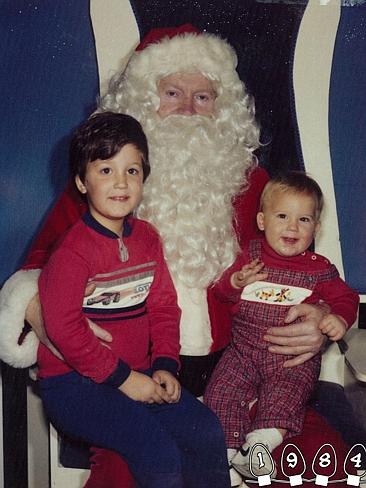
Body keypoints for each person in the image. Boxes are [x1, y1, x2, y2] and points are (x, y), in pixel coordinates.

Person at [0, 25, 353, 487]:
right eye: (172, 92)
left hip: (244, 368)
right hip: (121, 374)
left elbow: (305, 269)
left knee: (328, 471)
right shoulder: (101, 189)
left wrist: (321, 318)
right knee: (138, 470)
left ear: (222, 110)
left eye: (203, 98)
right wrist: (47, 314)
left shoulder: (256, 188)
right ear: (144, 100)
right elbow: (36, 270)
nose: (187, 109)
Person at [37, 111, 230, 488]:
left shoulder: (147, 238)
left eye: (132, 170)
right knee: (156, 452)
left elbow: (162, 308)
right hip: (74, 386)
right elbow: (63, 326)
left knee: (206, 431)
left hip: (138, 374)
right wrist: (125, 379)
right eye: (105, 170)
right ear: (81, 181)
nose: (121, 182)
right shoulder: (73, 252)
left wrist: (165, 365)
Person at [204, 172, 359, 484]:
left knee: (286, 395)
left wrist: (338, 317)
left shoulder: (320, 269)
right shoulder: (248, 256)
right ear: (262, 221)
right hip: (243, 351)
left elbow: (347, 297)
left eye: (304, 219)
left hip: (290, 359)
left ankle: (260, 445)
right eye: (283, 216)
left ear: (315, 227)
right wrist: (235, 282)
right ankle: (227, 454)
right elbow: (220, 292)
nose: (292, 227)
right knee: (221, 391)